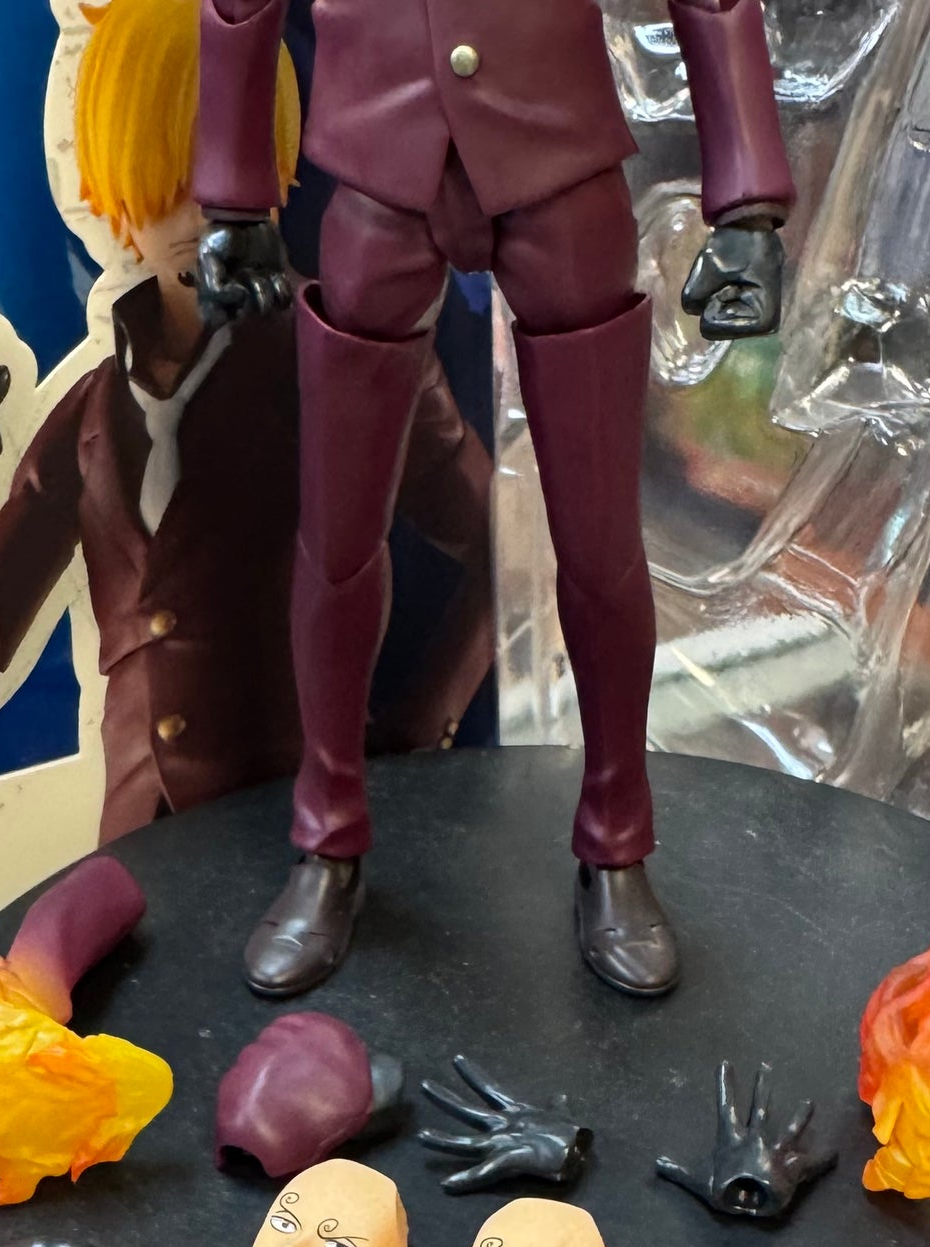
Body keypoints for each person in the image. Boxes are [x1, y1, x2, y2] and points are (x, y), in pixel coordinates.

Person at [192, 0, 795, 996]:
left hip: (556, 162)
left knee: (600, 546)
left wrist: (748, 201)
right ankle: (326, 836)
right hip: (380, 170)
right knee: (337, 537)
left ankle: (616, 841)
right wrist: (232, 194)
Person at [0, 0, 492, 846]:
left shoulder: (348, 361)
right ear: (111, 193)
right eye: (166, 186)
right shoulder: (93, 413)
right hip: (142, 851)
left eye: (231, 182)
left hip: (305, 834)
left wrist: (422, 730)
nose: (201, 221)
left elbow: (507, 546)